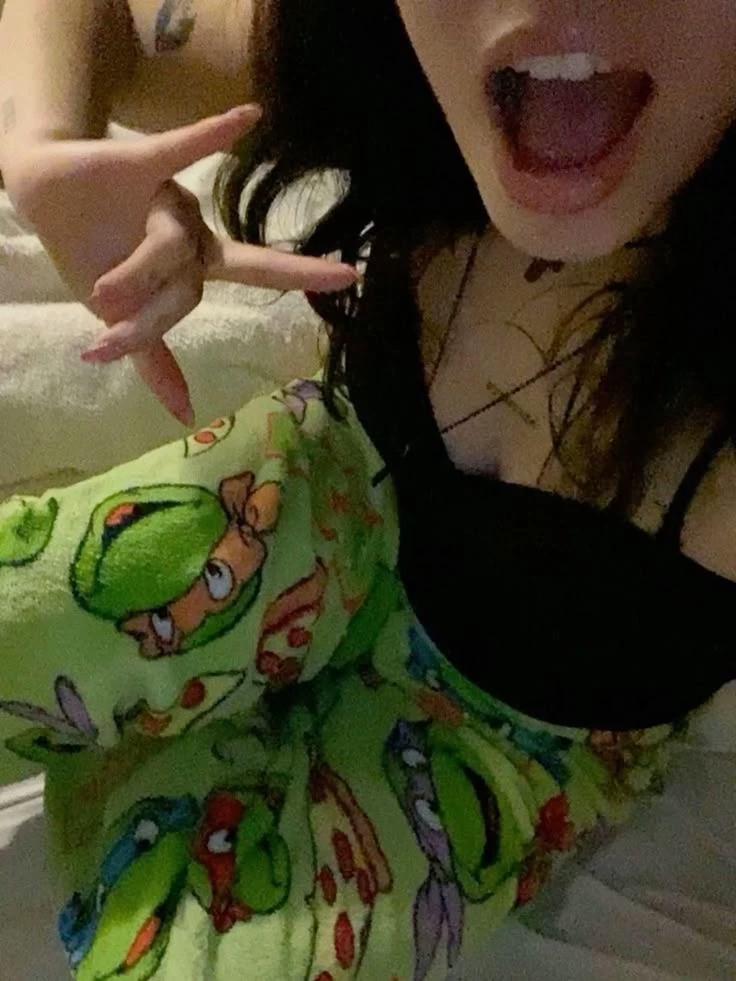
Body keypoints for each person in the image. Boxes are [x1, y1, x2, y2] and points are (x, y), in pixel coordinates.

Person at [0, 1, 733, 979]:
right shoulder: (403, 62)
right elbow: (108, 16)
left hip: (498, 744)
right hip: (309, 489)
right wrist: (45, 143)